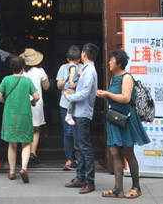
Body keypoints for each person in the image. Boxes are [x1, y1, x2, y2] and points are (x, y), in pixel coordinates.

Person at [96, 48, 151, 199]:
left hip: (126, 119)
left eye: (111, 60)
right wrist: (104, 95)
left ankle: (136, 187)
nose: (109, 62)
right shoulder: (114, 77)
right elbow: (115, 97)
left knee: (127, 152)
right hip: (115, 119)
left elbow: (126, 98)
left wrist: (107, 94)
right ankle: (118, 189)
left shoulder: (126, 77)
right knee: (114, 152)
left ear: (119, 63)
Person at [0, 55, 40, 183]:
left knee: (12, 143)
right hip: (24, 115)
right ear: (22, 68)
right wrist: (32, 102)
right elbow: (37, 96)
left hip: (9, 114)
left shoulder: (6, 80)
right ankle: (24, 168)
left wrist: (5, 101)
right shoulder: (26, 81)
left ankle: (11, 172)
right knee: (26, 143)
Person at [63, 42, 99, 194]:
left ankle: (89, 182)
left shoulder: (89, 71)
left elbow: (84, 93)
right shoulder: (85, 70)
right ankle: (80, 178)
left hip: (83, 113)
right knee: (79, 147)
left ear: (84, 54)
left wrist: (70, 96)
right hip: (79, 113)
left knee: (85, 148)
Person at [55, 45, 82, 170]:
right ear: (67, 59)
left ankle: (79, 158)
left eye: (75, 60)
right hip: (65, 104)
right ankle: (69, 159)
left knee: (79, 132)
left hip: (80, 104)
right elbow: (59, 85)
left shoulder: (83, 69)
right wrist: (69, 78)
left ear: (79, 59)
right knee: (68, 132)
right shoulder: (63, 68)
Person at [21, 48, 50, 165]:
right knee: (36, 129)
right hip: (36, 101)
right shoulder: (40, 70)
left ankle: (25, 154)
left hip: (22, 102)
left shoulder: (21, 71)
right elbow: (47, 87)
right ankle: (33, 152)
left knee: (24, 128)